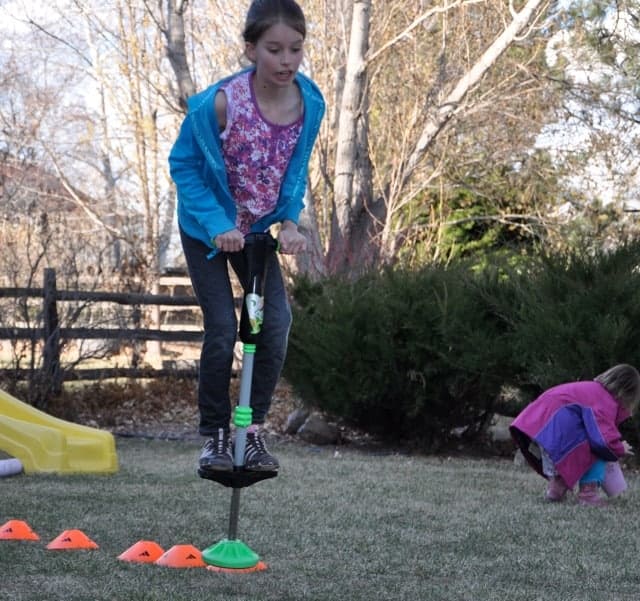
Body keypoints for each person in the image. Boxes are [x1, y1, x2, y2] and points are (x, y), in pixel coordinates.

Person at [168, 0, 325, 473]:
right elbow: (185, 166)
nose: (286, 60)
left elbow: (294, 173)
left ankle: (250, 432)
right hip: (207, 231)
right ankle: (215, 435)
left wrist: (292, 223)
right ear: (251, 49)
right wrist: (218, 225)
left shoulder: (308, 103)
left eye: (295, 49)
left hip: (255, 233)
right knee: (221, 326)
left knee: (274, 322)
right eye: (274, 49)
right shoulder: (220, 103)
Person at [510, 364, 640, 506]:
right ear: (626, 392)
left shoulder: (590, 389)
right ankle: (588, 494)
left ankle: (555, 489)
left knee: (560, 458)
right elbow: (603, 440)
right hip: (558, 430)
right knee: (600, 449)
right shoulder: (604, 400)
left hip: (540, 426)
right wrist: (619, 447)